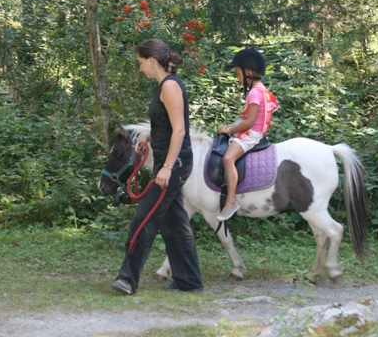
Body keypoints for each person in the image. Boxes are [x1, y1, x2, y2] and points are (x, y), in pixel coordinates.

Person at [111, 38, 203, 295]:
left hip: (174, 162)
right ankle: (189, 280)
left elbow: (180, 129)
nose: (140, 69)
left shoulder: (170, 86)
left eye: (141, 63)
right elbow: (168, 125)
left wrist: (167, 167)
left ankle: (127, 279)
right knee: (174, 222)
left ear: (152, 61)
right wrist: (150, 137)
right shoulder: (165, 85)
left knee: (144, 219)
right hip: (169, 158)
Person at [216, 48, 279, 222]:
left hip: (251, 134)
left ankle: (230, 201)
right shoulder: (262, 90)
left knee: (228, 159)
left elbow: (249, 122)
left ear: (249, 72)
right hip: (255, 132)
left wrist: (227, 129)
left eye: (238, 74)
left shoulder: (253, 93)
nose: (238, 78)